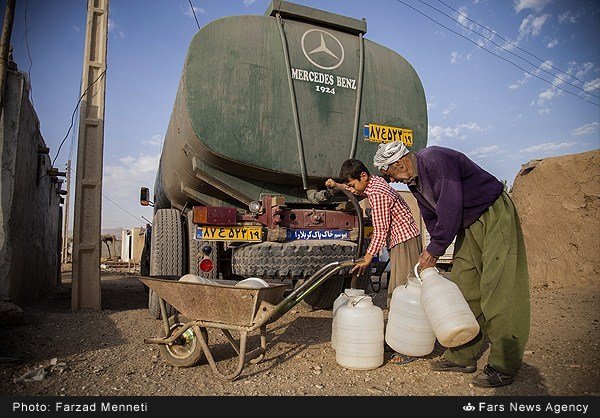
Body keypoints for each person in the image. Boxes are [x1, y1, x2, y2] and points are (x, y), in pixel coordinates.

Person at [373, 142, 530, 388]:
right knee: (464, 286)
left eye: (389, 174)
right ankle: (462, 355)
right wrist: (431, 249)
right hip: (468, 223)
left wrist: (435, 250)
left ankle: (504, 365)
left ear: (399, 163)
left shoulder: (435, 160)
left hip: (493, 213)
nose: (391, 181)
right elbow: (431, 214)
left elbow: (450, 205)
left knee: (499, 289)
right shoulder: (413, 181)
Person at [326, 158, 422, 365]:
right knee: (398, 292)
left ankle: (407, 346)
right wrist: (338, 185)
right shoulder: (373, 182)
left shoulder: (378, 194)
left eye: (352, 184)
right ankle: (396, 339)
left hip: (404, 241)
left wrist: (368, 257)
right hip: (402, 239)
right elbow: (358, 189)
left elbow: (380, 230)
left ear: (363, 176)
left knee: (402, 293)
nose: (353, 189)